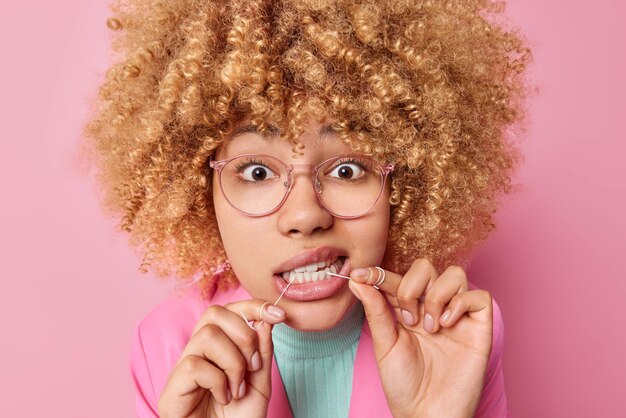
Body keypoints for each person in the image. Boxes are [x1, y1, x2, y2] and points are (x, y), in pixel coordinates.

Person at [83, 0, 531, 416]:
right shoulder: (170, 347)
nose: (306, 216)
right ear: (201, 193)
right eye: (257, 172)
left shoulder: (455, 333)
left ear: (404, 180)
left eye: (348, 168)